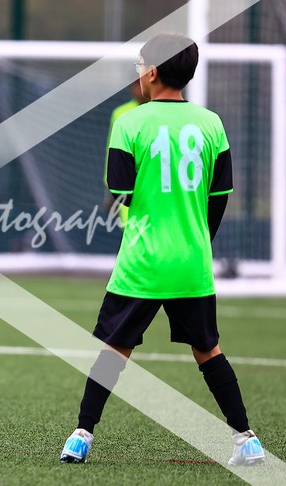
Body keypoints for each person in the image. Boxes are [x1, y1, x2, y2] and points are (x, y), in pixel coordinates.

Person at [59, 34, 265, 466]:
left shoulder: (129, 123)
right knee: (208, 351)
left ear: (152, 72)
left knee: (114, 351)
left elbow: (119, 191)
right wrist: (197, 237)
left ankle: (81, 436)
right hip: (192, 261)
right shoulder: (211, 123)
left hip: (143, 261)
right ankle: (247, 440)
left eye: (139, 64)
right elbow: (220, 194)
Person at [105, 81, 148, 226]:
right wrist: (109, 190)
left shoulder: (159, 112)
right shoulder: (120, 113)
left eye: (141, 84)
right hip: (128, 187)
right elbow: (112, 155)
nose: (139, 89)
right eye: (136, 85)